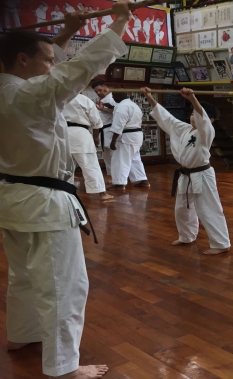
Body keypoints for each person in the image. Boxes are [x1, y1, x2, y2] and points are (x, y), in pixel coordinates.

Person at [0, 2, 131, 377]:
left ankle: (21, 335)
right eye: (46, 60)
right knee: (64, 287)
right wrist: (119, 20)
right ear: (23, 61)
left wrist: (67, 32)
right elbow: (75, 70)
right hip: (43, 205)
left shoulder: (10, 89)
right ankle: (63, 369)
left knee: (23, 277)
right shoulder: (29, 95)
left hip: (13, 200)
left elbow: (46, 67)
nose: (52, 64)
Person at [142, 87, 231, 255]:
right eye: (191, 114)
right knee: (182, 208)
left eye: (196, 115)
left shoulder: (206, 133)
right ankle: (187, 236)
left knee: (208, 209)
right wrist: (149, 97)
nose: (192, 117)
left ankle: (221, 243)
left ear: (209, 120)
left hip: (202, 175)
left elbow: (202, 118)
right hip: (185, 174)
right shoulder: (183, 129)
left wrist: (193, 99)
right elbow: (166, 118)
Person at [62, 94, 114, 201]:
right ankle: (102, 193)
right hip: (81, 134)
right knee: (90, 164)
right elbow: (96, 122)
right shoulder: (83, 99)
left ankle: (64, 192)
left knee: (65, 166)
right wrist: (95, 137)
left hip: (62, 133)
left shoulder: (60, 98)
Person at [107, 92, 150, 190]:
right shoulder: (133, 105)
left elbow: (119, 125)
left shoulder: (122, 107)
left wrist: (113, 141)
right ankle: (142, 180)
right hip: (136, 135)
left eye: (113, 96)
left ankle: (119, 184)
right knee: (135, 159)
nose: (113, 98)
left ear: (119, 96)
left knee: (120, 159)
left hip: (126, 136)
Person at [92, 80, 116, 178]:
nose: (98, 93)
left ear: (105, 87)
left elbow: (117, 111)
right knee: (106, 155)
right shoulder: (100, 100)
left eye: (100, 90)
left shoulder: (112, 98)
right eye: (96, 91)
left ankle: (117, 176)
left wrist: (103, 109)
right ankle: (110, 175)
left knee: (113, 155)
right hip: (102, 131)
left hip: (111, 130)